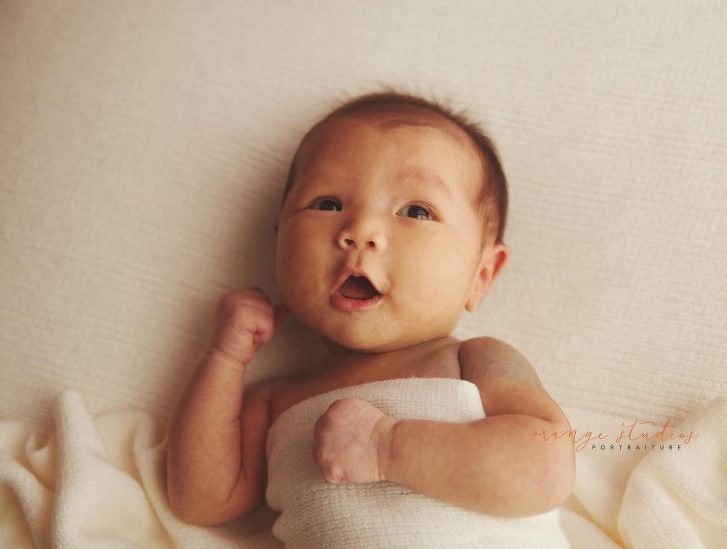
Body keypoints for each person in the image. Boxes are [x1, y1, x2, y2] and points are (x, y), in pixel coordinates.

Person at [166, 90, 575, 536]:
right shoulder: (277, 400)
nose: (361, 231)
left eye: (416, 211)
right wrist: (224, 359)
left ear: (480, 275)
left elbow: (546, 467)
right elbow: (201, 500)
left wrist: (388, 448)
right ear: (279, 237)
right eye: (327, 204)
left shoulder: (474, 363)